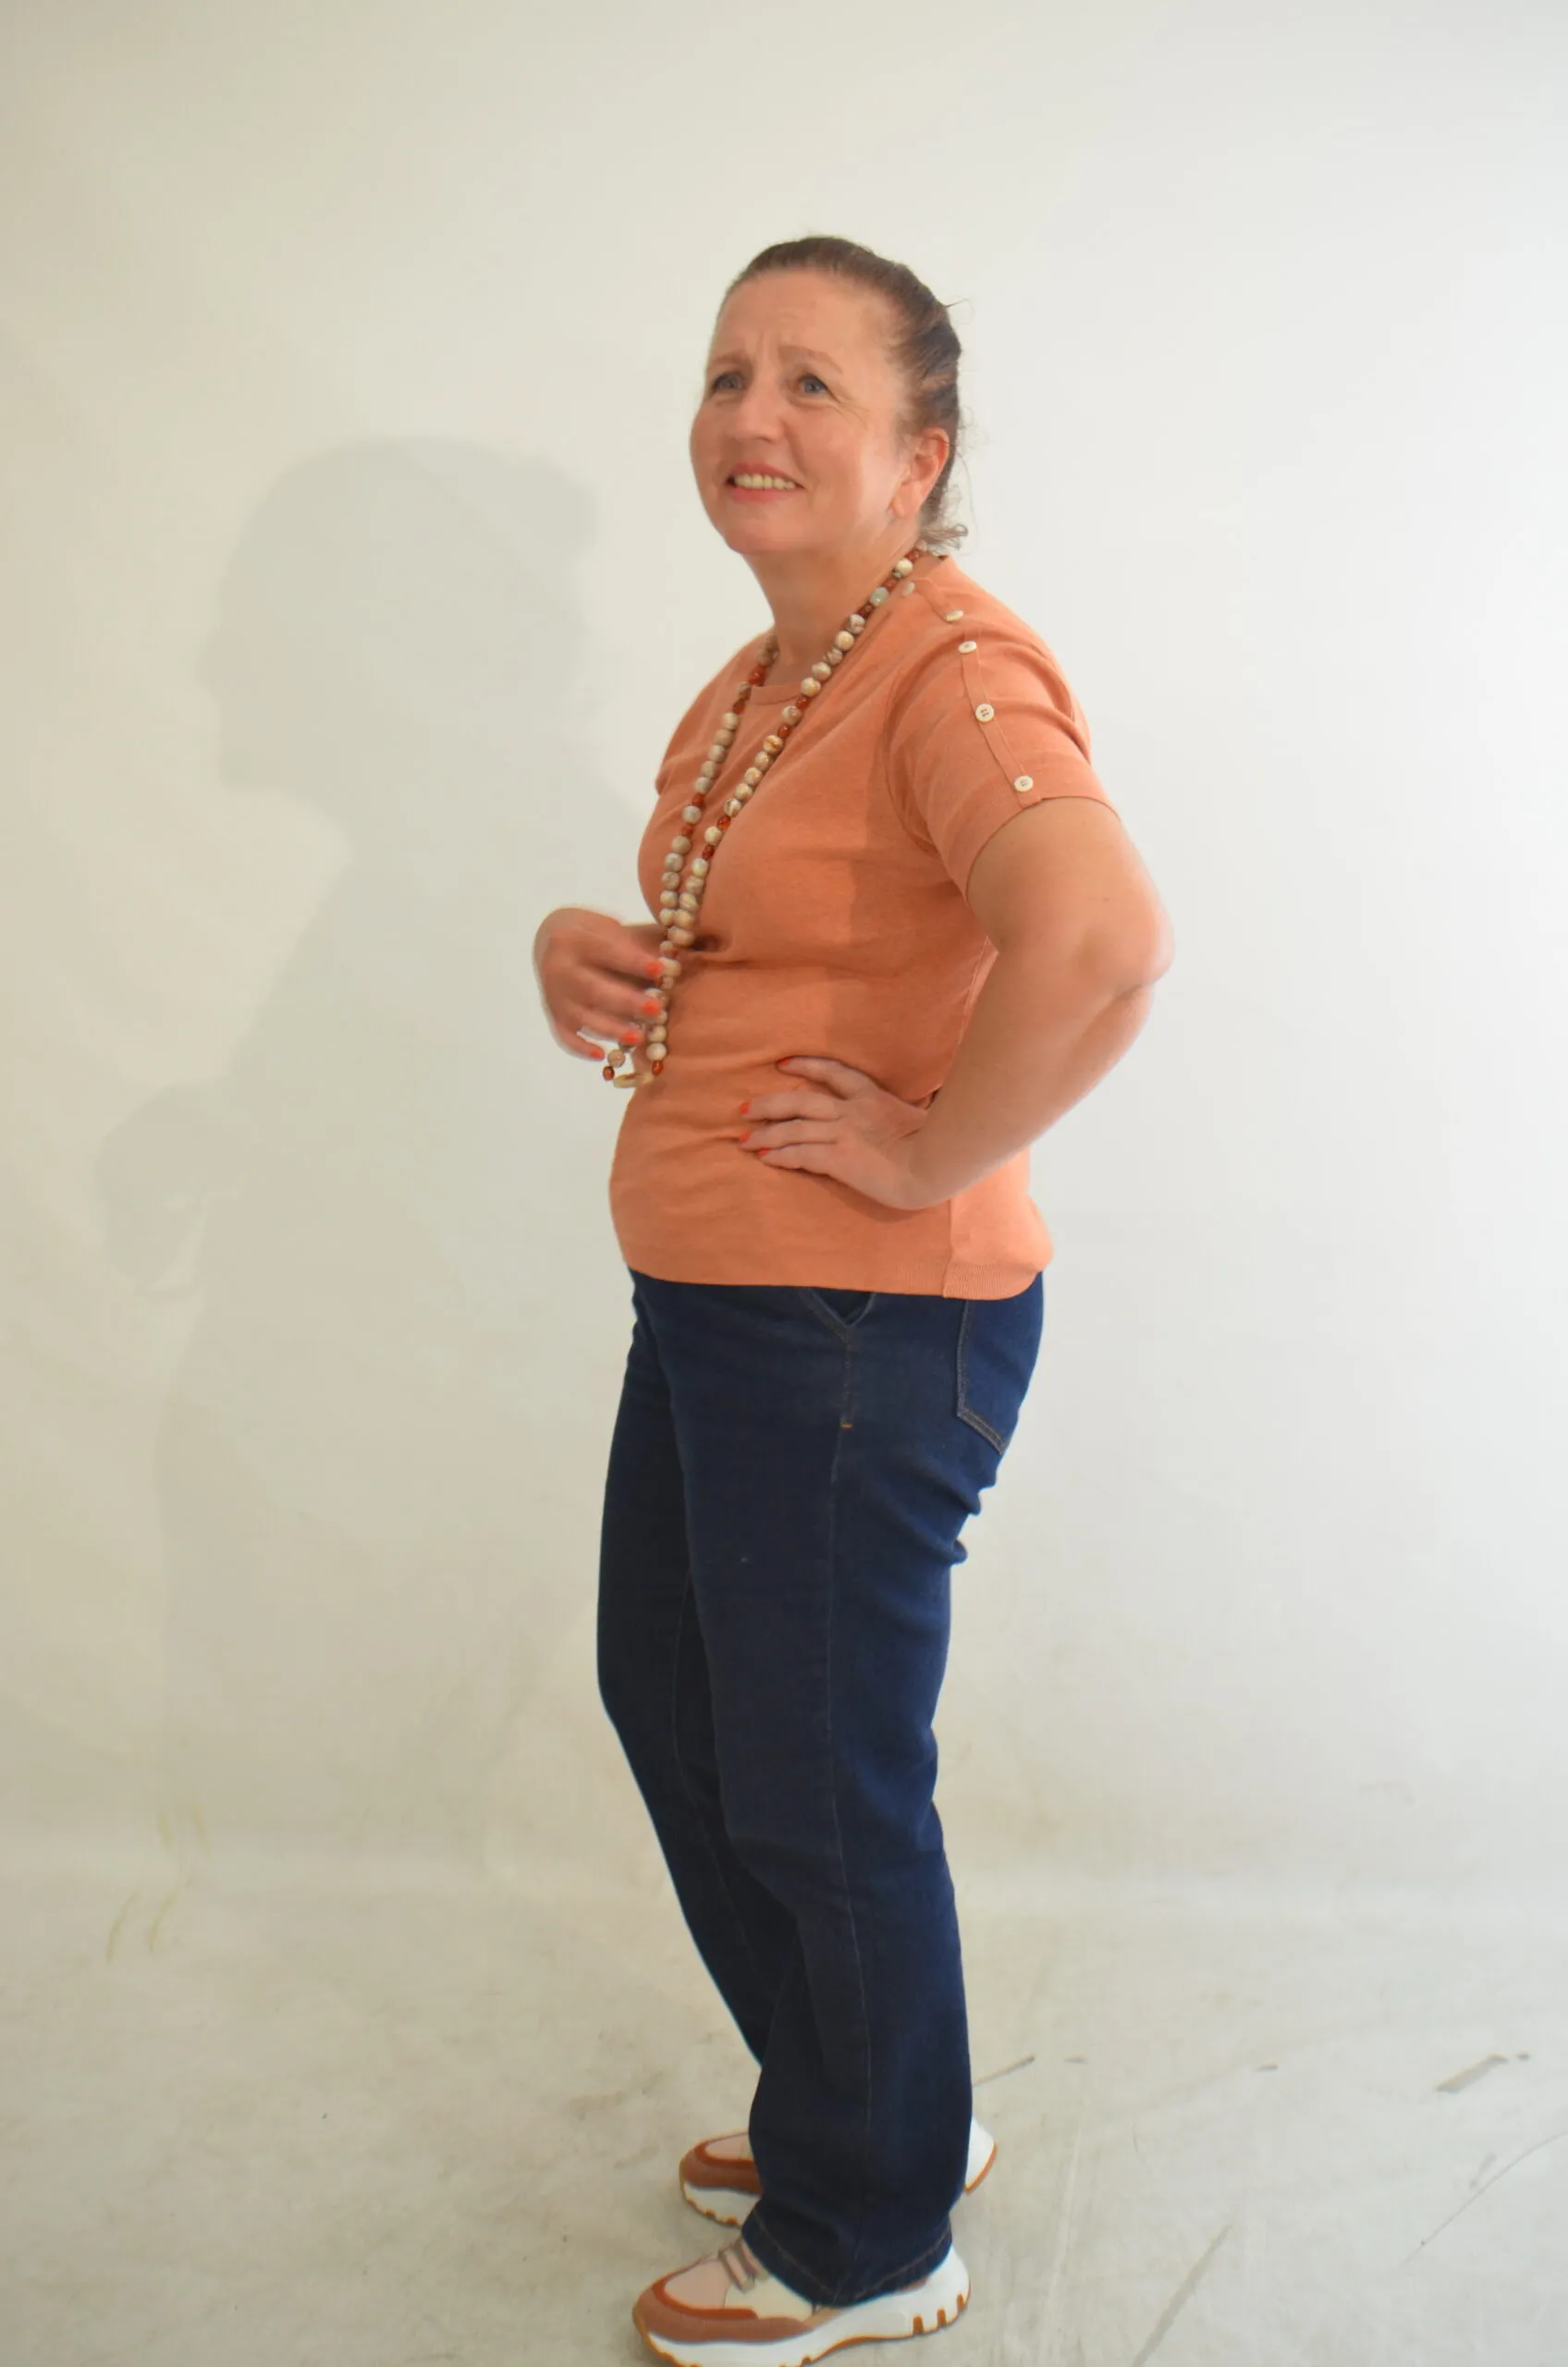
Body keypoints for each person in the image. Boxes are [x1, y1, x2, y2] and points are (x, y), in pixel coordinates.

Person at [531, 235, 1173, 2365]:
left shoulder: (950, 671)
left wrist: (924, 1149)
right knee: (680, 1701)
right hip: (730, 1304)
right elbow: (769, 938)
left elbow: (1097, 936)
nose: (748, 415)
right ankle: (871, 2098)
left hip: (849, 1324)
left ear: (921, 451)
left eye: (811, 380)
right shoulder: (762, 681)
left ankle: (866, 2234)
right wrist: (585, 951)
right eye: (726, 372)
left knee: (810, 1778)